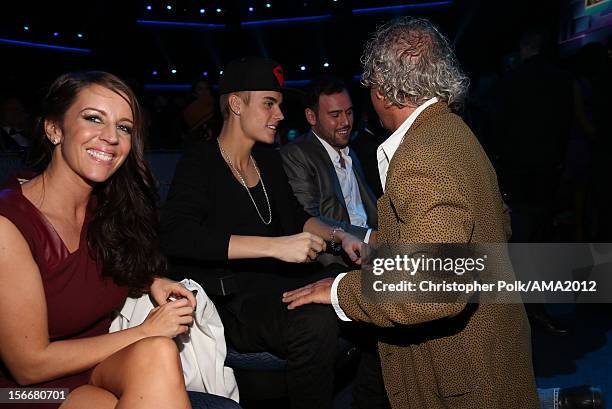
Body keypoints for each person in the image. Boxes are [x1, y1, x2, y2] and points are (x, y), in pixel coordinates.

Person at [283, 17, 540, 409]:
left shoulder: (421, 154)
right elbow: (488, 227)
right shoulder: (453, 131)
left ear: (383, 89)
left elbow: (430, 284)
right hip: (485, 353)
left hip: (463, 375)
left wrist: (338, 291)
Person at [160, 57, 364, 409]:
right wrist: (274, 247)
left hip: (280, 285)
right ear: (236, 104)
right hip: (232, 301)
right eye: (269, 104)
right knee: (316, 322)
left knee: (365, 282)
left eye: (280, 105)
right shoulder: (201, 162)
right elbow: (178, 236)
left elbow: (298, 218)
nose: (280, 115)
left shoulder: (268, 159)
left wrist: (339, 238)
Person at [0, 71, 199, 409]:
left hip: (92, 366)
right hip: (22, 392)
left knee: (159, 352)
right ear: (54, 128)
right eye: (94, 119)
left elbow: (89, 271)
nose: (111, 137)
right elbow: (28, 366)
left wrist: (151, 281)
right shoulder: (9, 225)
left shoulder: (109, 208)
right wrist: (144, 331)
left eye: (123, 127)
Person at [281, 75, 378, 266]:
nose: (345, 122)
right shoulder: (296, 154)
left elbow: (369, 209)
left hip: (370, 250)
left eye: (349, 112)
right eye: (335, 115)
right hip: (336, 262)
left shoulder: (350, 150)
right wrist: (369, 237)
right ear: (311, 116)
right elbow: (308, 219)